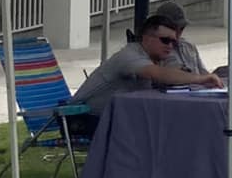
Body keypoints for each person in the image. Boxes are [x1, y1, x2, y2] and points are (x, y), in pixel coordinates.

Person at [72, 13, 223, 138]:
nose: (170, 46)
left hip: (119, 117)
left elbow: (173, 76)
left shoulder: (157, 58)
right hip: (83, 118)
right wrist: (202, 79)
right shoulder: (129, 56)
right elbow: (158, 74)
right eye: (165, 40)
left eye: (174, 42)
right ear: (146, 38)